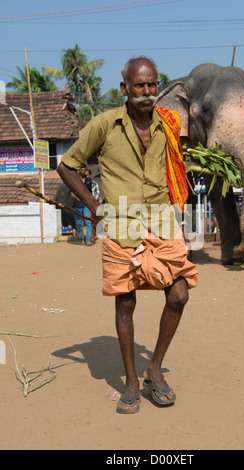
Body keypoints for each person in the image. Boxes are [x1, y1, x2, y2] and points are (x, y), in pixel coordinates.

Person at [57, 56, 198, 414]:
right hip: (120, 223)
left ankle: (154, 369)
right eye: (139, 85)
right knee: (126, 303)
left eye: (152, 85)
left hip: (163, 220)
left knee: (179, 294)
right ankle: (132, 382)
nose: (147, 92)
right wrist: (93, 204)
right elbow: (67, 165)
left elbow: (175, 164)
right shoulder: (104, 124)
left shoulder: (168, 124)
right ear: (125, 89)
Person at [70, 164, 93, 246]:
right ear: (79, 170)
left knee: (87, 221)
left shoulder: (89, 180)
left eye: (84, 170)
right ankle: (82, 238)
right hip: (77, 204)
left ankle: (89, 239)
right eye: (82, 170)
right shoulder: (75, 180)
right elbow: (70, 193)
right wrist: (76, 197)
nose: (83, 172)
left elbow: (90, 193)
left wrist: (90, 202)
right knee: (79, 223)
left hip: (86, 204)